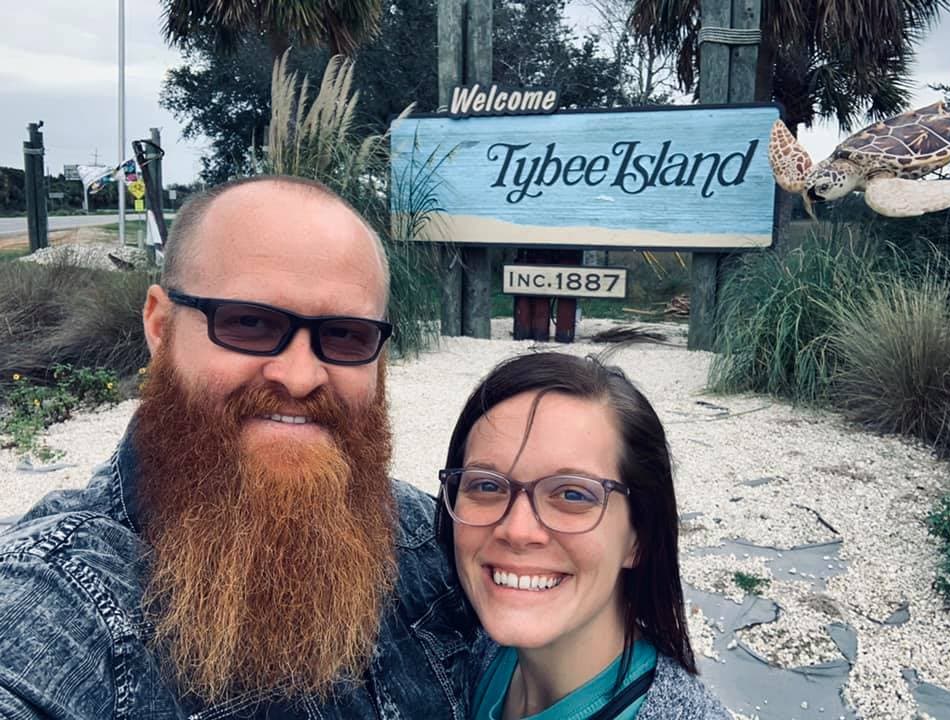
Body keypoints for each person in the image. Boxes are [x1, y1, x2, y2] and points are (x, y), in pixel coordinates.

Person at [0, 176, 479, 719]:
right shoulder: (60, 604)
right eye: (249, 323)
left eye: (346, 335)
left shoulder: (431, 539)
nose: (300, 377)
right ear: (160, 327)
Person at [436, 352, 731, 720]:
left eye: (573, 494)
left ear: (639, 536)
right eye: (485, 485)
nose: (517, 530)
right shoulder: (470, 654)